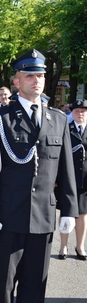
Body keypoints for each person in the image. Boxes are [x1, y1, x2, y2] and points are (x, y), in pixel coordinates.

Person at [0, 49, 78, 303]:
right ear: (17, 80)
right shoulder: (1, 118)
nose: (37, 81)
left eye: (41, 75)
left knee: (36, 284)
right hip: (9, 217)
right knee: (5, 285)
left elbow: (66, 171)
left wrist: (69, 211)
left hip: (44, 216)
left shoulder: (58, 119)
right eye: (30, 75)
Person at [58, 99, 87, 261]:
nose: (80, 114)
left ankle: (80, 246)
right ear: (72, 113)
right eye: (77, 111)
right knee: (66, 212)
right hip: (68, 178)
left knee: (83, 214)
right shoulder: (66, 129)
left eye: (83, 111)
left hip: (85, 179)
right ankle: (63, 246)